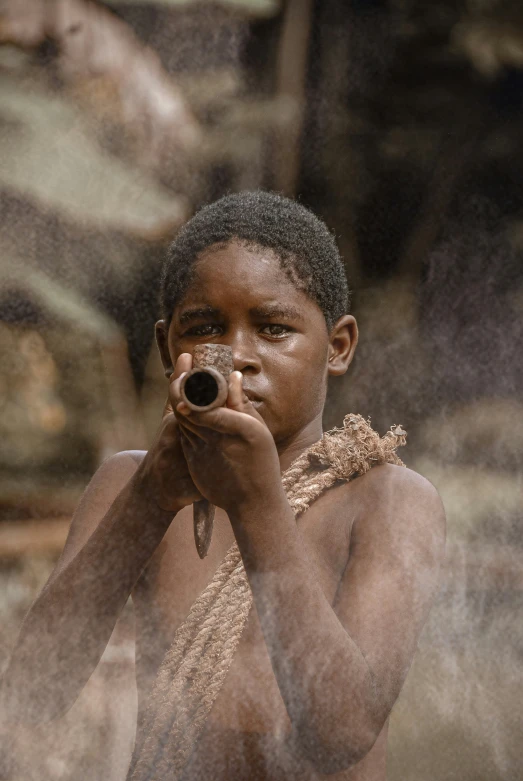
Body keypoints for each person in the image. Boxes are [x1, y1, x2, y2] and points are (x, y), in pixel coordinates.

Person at [0, 191, 446, 780]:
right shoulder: (132, 485)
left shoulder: (387, 500)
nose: (238, 357)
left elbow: (342, 734)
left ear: (337, 348)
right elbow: (32, 693)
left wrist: (259, 502)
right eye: (205, 327)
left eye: (274, 328)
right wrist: (150, 500)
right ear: (168, 349)